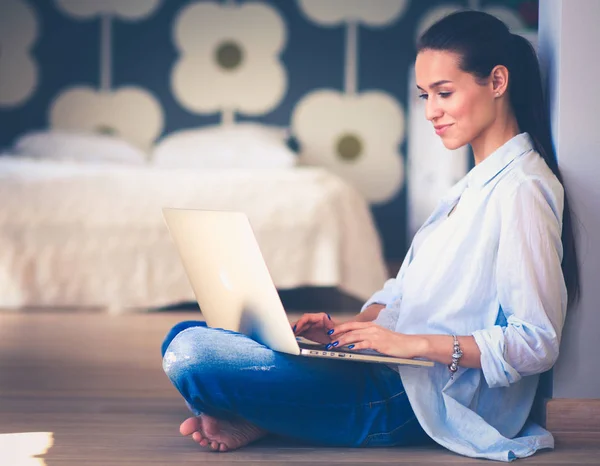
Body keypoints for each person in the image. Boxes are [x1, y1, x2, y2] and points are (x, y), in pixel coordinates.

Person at [160, 10, 580, 461]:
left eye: (444, 93)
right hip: (394, 372)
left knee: (191, 353)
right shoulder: (475, 186)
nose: (430, 112)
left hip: (421, 403)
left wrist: (410, 345)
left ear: (497, 82)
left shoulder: (523, 190)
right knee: (182, 333)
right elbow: (411, 292)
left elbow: (536, 341)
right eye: (424, 95)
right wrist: (357, 329)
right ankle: (268, 412)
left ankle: (263, 413)